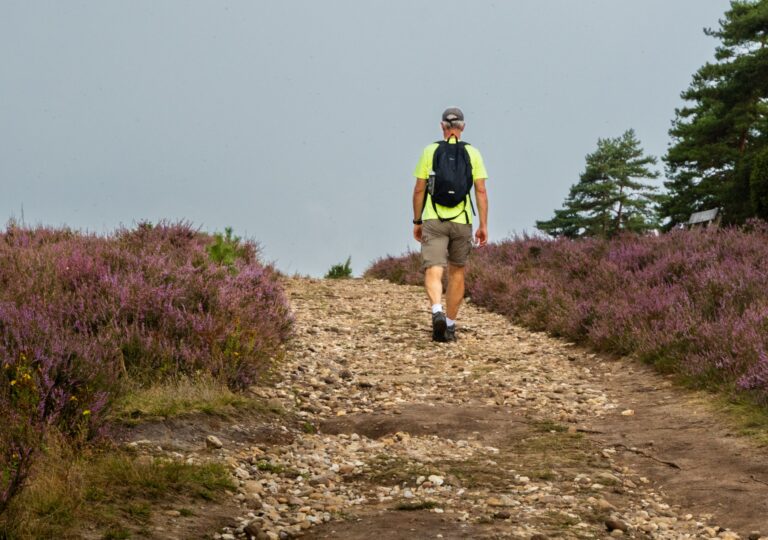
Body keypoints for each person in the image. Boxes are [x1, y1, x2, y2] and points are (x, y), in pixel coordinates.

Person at [412, 107, 488, 342]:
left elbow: (419, 189)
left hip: (434, 219)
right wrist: (483, 225)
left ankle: (437, 311)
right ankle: (451, 327)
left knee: (434, 269)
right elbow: (481, 191)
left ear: (442, 126)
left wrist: (417, 221)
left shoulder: (430, 151)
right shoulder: (473, 154)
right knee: (457, 273)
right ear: (463, 127)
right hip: (462, 221)